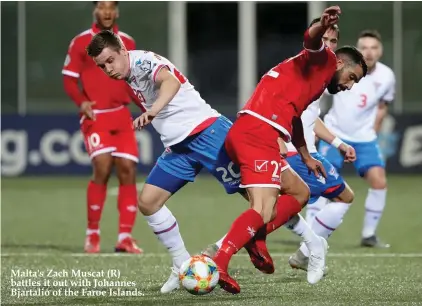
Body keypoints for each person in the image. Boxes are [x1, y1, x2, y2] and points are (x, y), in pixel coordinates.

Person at [211, 6, 367, 294]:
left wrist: (306, 156)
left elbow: (294, 118)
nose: (349, 86)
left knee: (300, 192)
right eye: (352, 77)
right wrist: (322, 25)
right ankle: (220, 260)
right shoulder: (324, 60)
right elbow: (311, 39)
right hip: (257, 134)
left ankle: (255, 237)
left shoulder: (313, 80)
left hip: (257, 133)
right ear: (341, 62)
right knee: (262, 208)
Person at [86, 31, 246, 293]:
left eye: (110, 60)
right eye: (102, 66)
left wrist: (153, 111)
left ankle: (308, 241)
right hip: (179, 146)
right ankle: (182, 265)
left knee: (258, 200)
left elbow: (170, 82)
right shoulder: (127, 74)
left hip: (207, 134)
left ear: (123, 50)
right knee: (148, 202)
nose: (108, 69)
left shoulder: (142, 62)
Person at [62, 1, 142, 254]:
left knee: (128, 170)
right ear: (95, 10)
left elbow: (133, 79)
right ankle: (92, 234)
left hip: (121, 115)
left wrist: (145, 106)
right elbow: (69, 78)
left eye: (111, 7)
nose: (107, 12)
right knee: (103, 166)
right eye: (102, 7)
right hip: (96, 116)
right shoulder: (81, 42)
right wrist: (81, 101)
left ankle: (125, 237)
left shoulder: (127, 41)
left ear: (117, 11)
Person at [316, 29, 395, 248]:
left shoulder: (387, 76)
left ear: (381, 51)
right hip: (334, 133)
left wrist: (374, 133)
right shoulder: (341, 69)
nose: (369, 52)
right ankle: (313, 233)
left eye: (374, 47)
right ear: (357, 50)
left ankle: (369, 235)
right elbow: (316, 96)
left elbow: (382, 107)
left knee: (379, 182)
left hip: (365, 139)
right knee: (322, 182)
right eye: (364, 47)